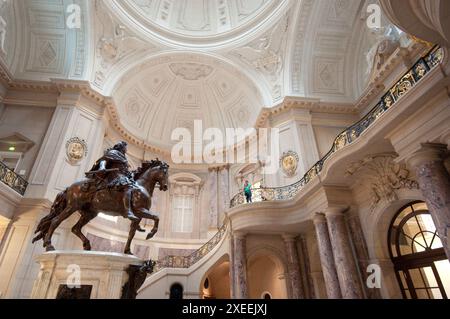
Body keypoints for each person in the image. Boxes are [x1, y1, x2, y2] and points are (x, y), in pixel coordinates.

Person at [87, 141, 139, 222]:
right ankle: (127, 211)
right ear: (122, 147)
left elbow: (124, 171)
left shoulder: (123, 157)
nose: (126, 149)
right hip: (114, 176)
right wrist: (102, 167)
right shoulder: (113, 152)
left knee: (135, 186)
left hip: (122, 176)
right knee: (127, 186)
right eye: (126, 147)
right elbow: (104, 160)